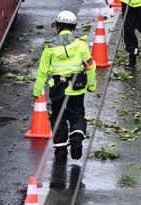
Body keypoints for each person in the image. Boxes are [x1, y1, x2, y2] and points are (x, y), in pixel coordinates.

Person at [33, 11, 97, 160]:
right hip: (77, 88)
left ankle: (61, 150)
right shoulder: (81, 45)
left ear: (57, 27)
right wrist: (91, 85)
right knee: (77, 115)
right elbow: (90, 66)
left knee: (58, 117)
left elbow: (42, 71)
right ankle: (76, 137)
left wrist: (37, 91)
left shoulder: (49, 48)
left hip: (58, 89)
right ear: (73, 27)